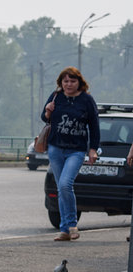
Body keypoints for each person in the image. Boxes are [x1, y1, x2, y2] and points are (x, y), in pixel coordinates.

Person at [40, 66, 100, 242]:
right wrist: (47, 111)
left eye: (72, 81)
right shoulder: (56, 96)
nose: (69, 84)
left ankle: (72, 225)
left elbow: (94, 126)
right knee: (61, 188)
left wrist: (93, 149)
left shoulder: (87, 100)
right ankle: (65, 230)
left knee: (66, 185)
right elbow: (45, 119)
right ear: (61, 83)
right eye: (65, 81)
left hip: (76, 149)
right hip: (55, 148)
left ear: (79, 82)